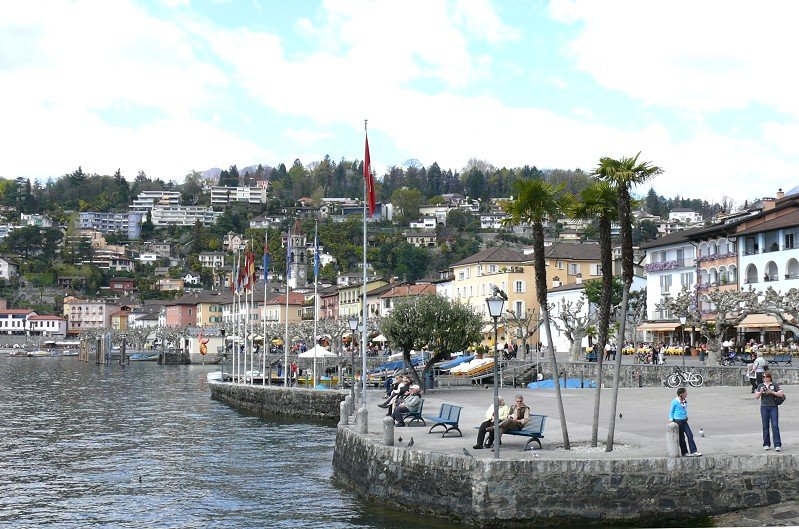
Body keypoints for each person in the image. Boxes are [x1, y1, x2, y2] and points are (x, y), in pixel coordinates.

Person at [668, 387, 702, 457]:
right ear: (681, 393)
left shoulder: (684, 401)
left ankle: (694, 451)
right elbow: (671, 411)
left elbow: (685, 410)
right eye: (685, 392)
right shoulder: (675, 401)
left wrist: (686, 416)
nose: (686, 394)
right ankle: (684, 452)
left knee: (690, 435)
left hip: (684, 421)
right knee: (682, 438)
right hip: (677, 421)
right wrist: (671, 420)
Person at [755, 373, 784, 451]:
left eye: (766, 377)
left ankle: (777, 444)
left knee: (775, 426)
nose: (765, 378)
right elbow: (756, 397)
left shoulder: (774, 385)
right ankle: (766, 444)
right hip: (764, 407)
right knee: (765, 426)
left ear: (770, 377)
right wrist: (761, 392)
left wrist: (772, 392)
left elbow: (781, 394)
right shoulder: (761, 385)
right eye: (764, 377)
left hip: (773, 407)